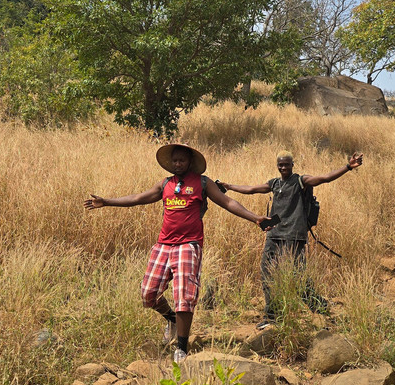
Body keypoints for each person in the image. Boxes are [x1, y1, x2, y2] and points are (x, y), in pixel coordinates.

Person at [83, 143, 275, 364]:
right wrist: (106, 202)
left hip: (189, 245)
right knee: (148, 294)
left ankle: (181, 349)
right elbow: (137, 198)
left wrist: (255, 218)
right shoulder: (165, 184)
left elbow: (228, 201)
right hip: (164, 244)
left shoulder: (203, 183)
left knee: (184, 296)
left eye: (181, 160)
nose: (177, 164)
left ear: (190, 162)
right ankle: (172, 320)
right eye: (174, 160)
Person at [218, 150, 363, 328]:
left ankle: (319, 307)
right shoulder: (275, 183)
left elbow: (324, 178)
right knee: (267, 273)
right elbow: (251, 190)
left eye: (287, 164)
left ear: (292, 165)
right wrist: (230, 186)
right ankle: (272, 316)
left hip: (294, 235)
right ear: (277, 166)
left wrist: (348, 167)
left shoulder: (301, 181)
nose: (284, 167)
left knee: (297, 276)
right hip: (274, 235)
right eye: (281, 164)